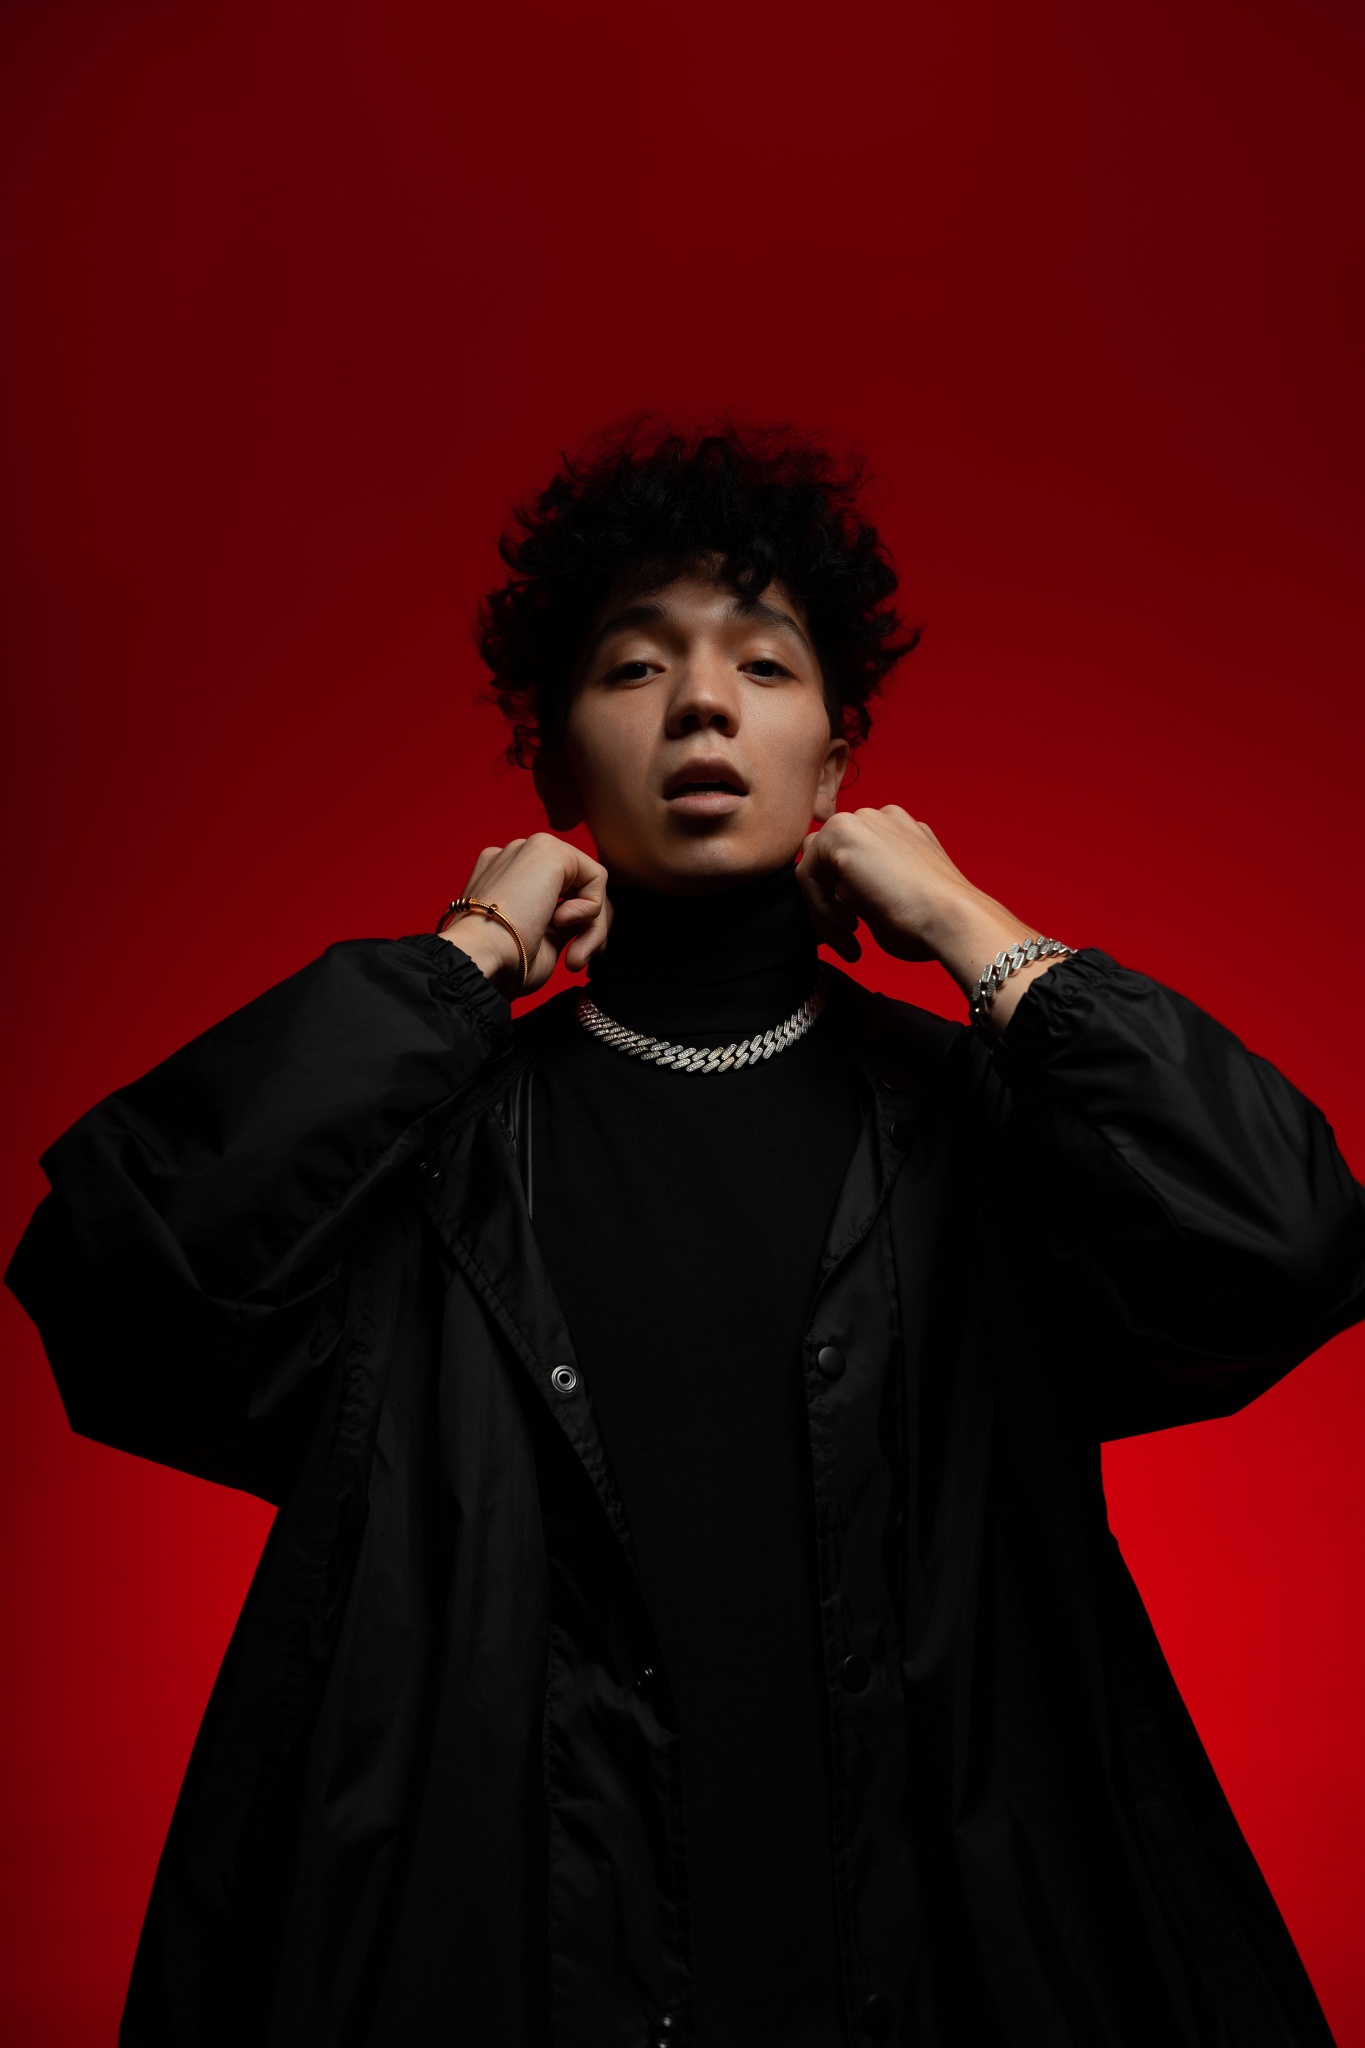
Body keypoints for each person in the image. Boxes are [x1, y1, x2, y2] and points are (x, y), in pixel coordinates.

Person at [7, 425, 1361, 2048]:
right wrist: (456, 965)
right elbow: (117, 1280)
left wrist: (976, 932)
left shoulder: (983, 1128)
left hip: (943, 1958)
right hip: (504, 1960)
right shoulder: (430, 1150)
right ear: (553, 771)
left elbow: (1286, 1238)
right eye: (635, 665)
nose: (702, 704)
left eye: (762, 665)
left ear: (836, 766)